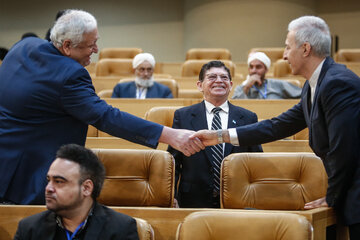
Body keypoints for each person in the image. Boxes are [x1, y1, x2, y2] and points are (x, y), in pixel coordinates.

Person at [0, 9, 203, 205]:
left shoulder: (23, 46)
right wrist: (171, 135)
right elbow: (106, 117)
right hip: (31, 178)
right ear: (68, 45)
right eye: (91, 44)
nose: (96, 50)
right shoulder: (69, 75)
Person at [191, 16, 360, 239]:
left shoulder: (337, 83)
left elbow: (344, 149)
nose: (284, 55)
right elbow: (277, 127)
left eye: (288, 47)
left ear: (306, 48)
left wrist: (332, 196)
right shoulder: (315, 86)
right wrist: (219, 136)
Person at [168, 61, 262, 208]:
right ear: (200, 85)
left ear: (231, 85)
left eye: (224, 78)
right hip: (192, 200)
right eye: (212, 77)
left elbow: (256, 162)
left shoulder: (248, 118)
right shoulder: (183, 116)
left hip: (238, 199)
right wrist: (171, 196)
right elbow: (173, 162)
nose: (219, 81)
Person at [14, 144, 139, 240]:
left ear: (86, 188)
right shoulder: (29, 228)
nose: (48, 188)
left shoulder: (121, 229)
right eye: (49, 180)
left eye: (59, 181)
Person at [232, 51, 302, 99]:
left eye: (258, 67)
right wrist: (247, 87)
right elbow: (235, 107)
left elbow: (303, 95)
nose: (254, 70)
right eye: (251, 67)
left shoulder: (277, 84)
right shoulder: (240, 89)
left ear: (266, 70)